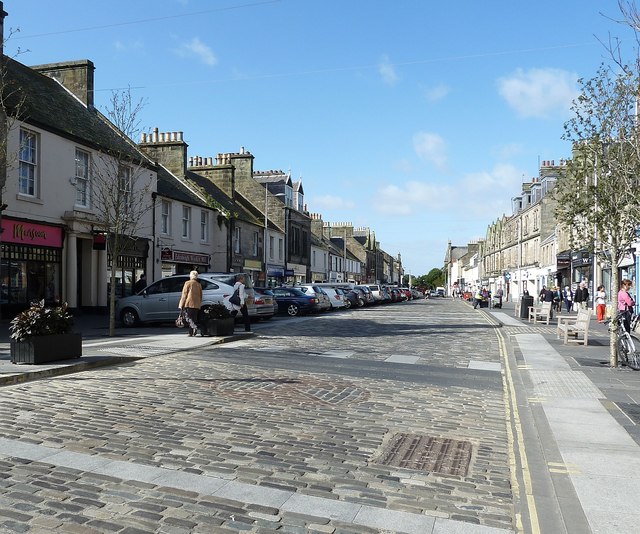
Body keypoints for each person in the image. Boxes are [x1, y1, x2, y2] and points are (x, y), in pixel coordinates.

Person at [178, 270, 203, 336]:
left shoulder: (188, 283)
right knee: (193, 319)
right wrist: (199, 303)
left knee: (187, 317)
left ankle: (194, 327)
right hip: (197, 304)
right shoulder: (199, 284)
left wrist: (181, 304)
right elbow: (201, 295)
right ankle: (191, 332)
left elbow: (184, 295)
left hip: (189, 303)